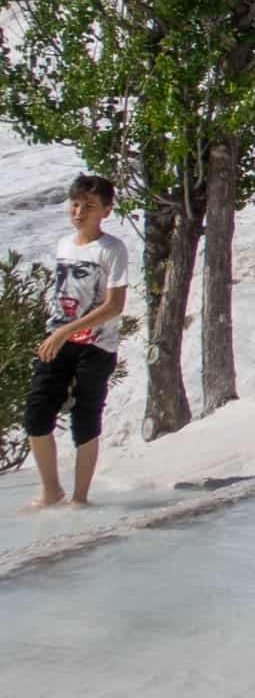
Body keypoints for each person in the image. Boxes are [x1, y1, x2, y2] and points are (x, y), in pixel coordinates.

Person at [24, 174, 128, 509]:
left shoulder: (113, 249)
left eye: (89, 206)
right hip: (58, 337)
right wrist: (60, 332)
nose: (79, 211)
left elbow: (114, 305)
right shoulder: (63, 245)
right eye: (75, 204)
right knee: (37, 412)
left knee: (85, 418)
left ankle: (80, 497)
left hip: (96, 346)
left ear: (106, 211)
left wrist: (66, 331)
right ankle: (50, 490)